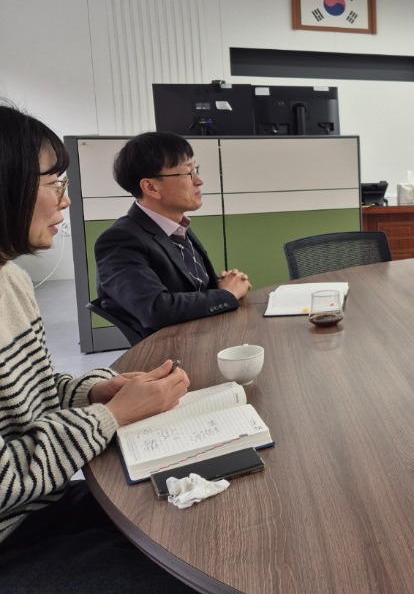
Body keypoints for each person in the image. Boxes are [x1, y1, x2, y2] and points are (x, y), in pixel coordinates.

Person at [0, 103, 192, 592]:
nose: (65, 203)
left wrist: (100, 391)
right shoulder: (123, 240)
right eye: (55, 183)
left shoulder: (11, 279)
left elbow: (38, 389)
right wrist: (112, 417)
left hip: (48, 503)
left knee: (201, 515)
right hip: (15, 536)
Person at [94, 132, 251, 340]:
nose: (199, 180)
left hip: (206, 335)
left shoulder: (176, 227)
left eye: (196, 170)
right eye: (188, 173)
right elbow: (156, 309)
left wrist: (221, 284)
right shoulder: (119, 240)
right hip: (174, 351)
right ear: (151, 187)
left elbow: (187, 287)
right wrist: (226, 294)